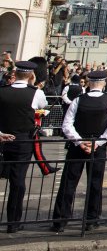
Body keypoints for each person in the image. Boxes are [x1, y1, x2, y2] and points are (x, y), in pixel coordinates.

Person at [52, 69, 107, 233]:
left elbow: (67, 124)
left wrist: (79, 141)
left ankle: (60, 220)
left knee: (68, 183)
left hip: (77, 146)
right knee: (95, 183)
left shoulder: (78, 100)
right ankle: (91, 219)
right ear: (103, 84)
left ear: (89, 83)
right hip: (98, 146)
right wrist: (97, 143)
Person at [0, 61, 49, 233]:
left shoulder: (2, 91)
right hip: (22, 141)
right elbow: (42, 106)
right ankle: (13, 222)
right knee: (18, 181)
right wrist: (33, 84)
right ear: (31, 75)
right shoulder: (36, 93)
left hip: (2, 139)